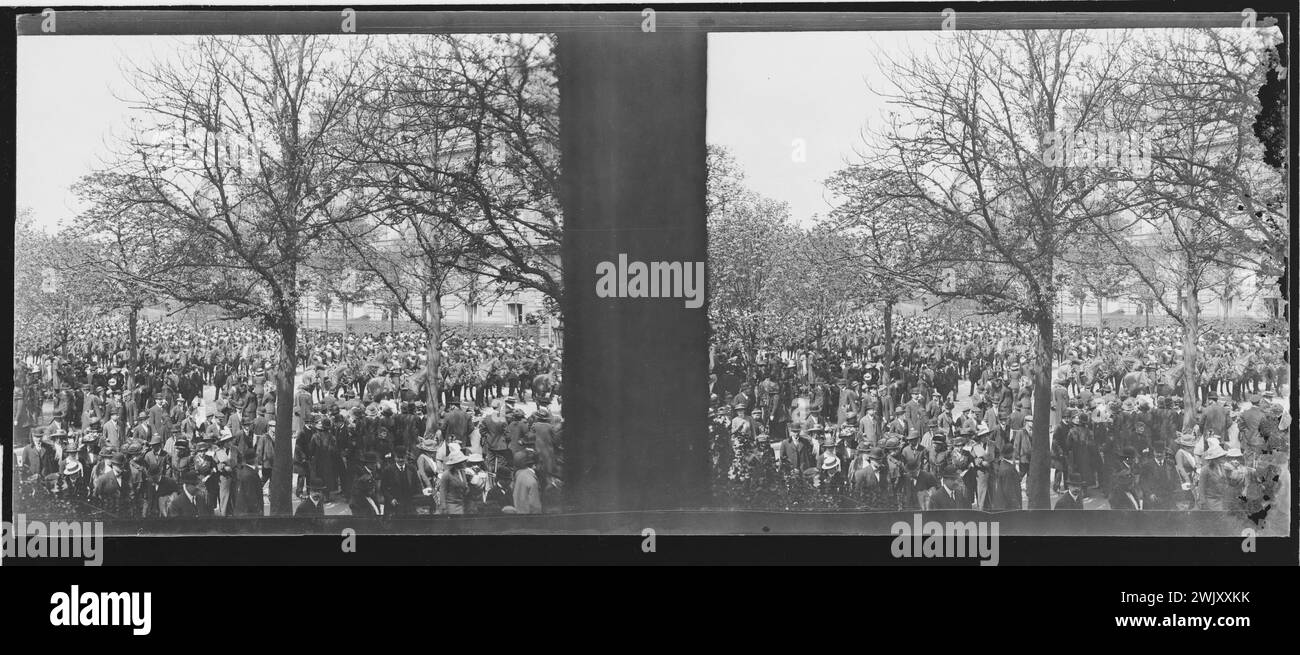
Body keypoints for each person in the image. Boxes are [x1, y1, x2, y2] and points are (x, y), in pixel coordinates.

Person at [234, 447, 264, 516]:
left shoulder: (246, 471)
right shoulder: (249, 474)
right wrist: (258, 512)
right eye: (256, 457)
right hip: (248, 513)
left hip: (244, 512)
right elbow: (251, 496)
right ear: (254, 459)